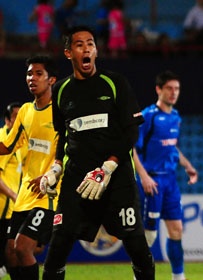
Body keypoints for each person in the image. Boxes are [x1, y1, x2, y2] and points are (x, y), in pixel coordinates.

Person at [40, 25, 155, 280]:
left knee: (137, 245)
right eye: (80, 45)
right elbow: (64, 135)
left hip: (116, 178)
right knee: (58, 246)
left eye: (90, 43)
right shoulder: (59, 91)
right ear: (69, 53)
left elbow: (131, 133)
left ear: (96, 50)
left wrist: (108, 167)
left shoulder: (115, 83)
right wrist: (56, 167)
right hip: (77, 181)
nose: (87, 49)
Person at [132, 70, 198, 280]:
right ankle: (138, 276)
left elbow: (171, 147)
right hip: (151, 180)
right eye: (169, 88)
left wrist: (187, 165)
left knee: (176, 230)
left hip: (169, 181)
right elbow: (131, 148)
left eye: (176, 89)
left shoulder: (175, 117)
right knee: (149, 235)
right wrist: (143, 176)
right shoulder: (148, 116)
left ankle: (178, 277)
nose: (173, 93)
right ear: (158, 90)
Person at [0, 55, 59, 280]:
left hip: (48, 193)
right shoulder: (25, 110)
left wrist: (49, 176)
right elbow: (7, 146)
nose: (31, 78)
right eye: (28, 73)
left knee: (23, 247)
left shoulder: (60, 112)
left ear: (51, 80)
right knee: (11, 251)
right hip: (25, 194)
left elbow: (68, 151)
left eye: (38, 74)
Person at [0, 102, 24, 279]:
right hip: (2, 209)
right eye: (15, 117)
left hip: (12, 209)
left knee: (20, 247)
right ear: (7, 121)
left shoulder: (19, 143)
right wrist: (15, 196)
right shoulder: (3, 141)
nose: (19, 120)